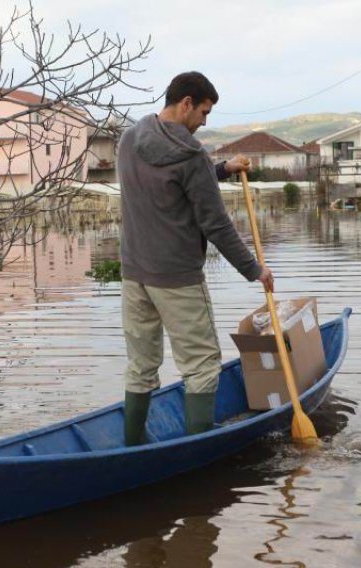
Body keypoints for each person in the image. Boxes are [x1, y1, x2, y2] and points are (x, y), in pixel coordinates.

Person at [117, 71, 274, 445]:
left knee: (141, 365)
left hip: (134, 274)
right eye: (203, 112)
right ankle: (198, 449)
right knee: (202, 365)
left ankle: (132, 445)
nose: (204, 122)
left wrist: (219, 170)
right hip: (177, 278)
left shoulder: (129, 139)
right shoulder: (191, 156)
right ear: (185, 103)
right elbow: (216, 225)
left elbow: (167, 185)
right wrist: (255, 270)